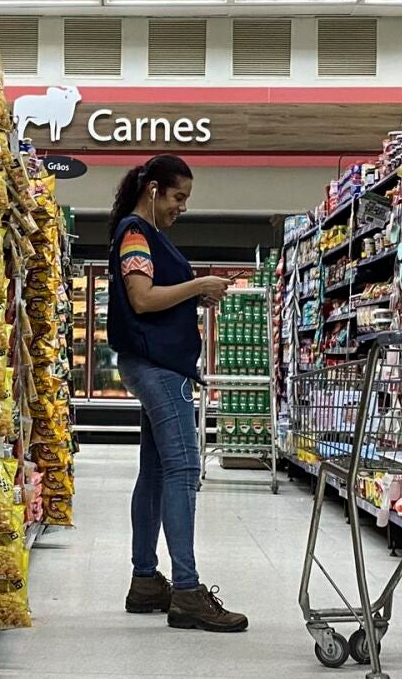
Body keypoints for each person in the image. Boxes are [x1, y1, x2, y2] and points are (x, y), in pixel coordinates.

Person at [106, 154, 248, 632]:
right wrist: (197, 284)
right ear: (153, 190)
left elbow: (153, 296)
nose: (182, 207)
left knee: (154, 472)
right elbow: (142, 299)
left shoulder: (146, 235)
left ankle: (146, 580)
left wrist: (193, 294)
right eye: (178, 197)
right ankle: (187, 591)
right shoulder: (135, 234)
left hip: (155, 364)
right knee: (184, 470)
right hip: (159, 368)